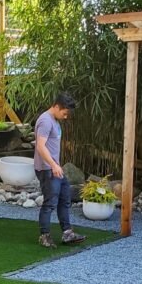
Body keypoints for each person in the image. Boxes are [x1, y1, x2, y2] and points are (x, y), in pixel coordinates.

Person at [34, 91, 86, 248]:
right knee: (50, 202)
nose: (66, 117)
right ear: (56, 107)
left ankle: (67, 233)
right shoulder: (45, 121)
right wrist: (53, 165)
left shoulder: (54, 120)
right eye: (64, 113)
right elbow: (40, 146)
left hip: (56, 168)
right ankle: (44, 236)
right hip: (47, 169)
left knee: (65, 199)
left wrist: (57, 166)